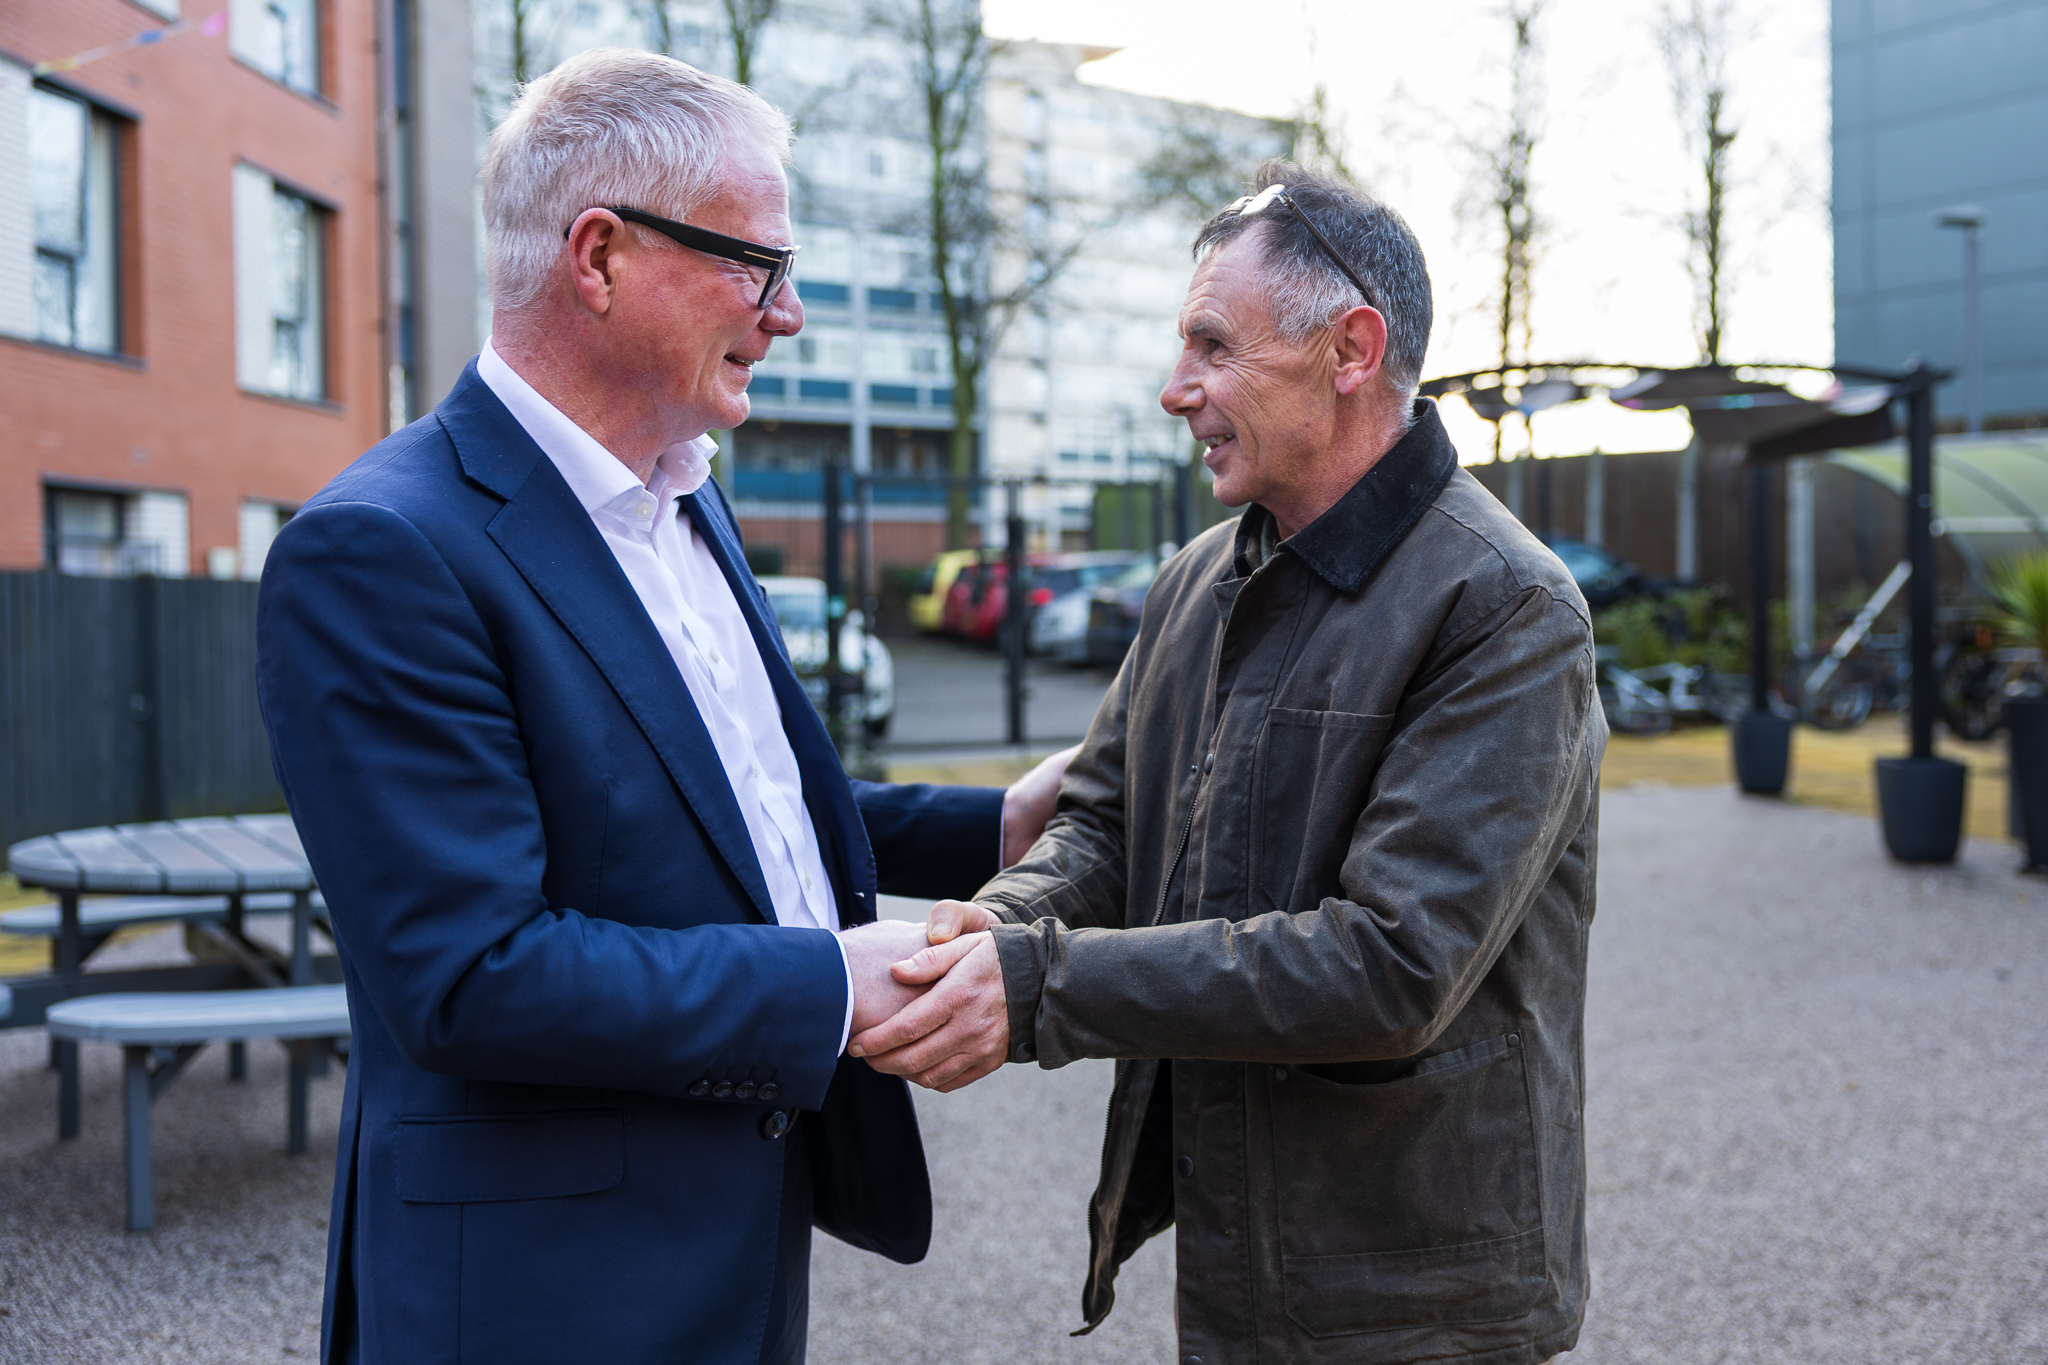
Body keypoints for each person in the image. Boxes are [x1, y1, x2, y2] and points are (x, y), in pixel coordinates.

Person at [256, 48, 1068, 1365]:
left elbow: (708, 804)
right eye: (759, 265)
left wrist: (996, 828)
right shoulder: (381, 549)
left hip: (737, 1253)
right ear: (599, 257)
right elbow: (468, 972)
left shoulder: (684, 493)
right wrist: (829, 985)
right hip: (542, 1297)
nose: (787, 312)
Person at [852, 160, 1605, 1365]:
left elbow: (1392, 965)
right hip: (1240, 1257)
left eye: (1210, 345)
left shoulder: (1504, 607)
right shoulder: (1196, 580)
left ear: (1349, 350)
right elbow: (1099, 826)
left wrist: (1036, 984)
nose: (1173, 390)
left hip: (1417, 1293)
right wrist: (983, 942)